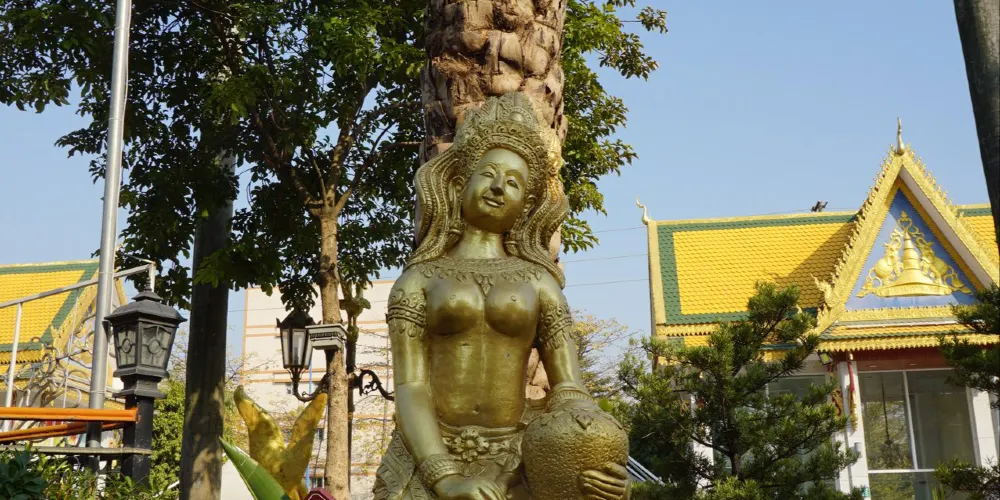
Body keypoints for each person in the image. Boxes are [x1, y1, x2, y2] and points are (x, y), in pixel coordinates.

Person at [373, 92, 629, 500]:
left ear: (526, 205)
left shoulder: (539, 282)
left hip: (517, 459)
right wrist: (444, 476)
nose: (498, 187)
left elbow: (569, 389)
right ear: (460, 185)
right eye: (488, 174)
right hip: (427, 455)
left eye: (513, 183)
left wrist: (595, 461)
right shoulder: (418, 280)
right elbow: (411, 386)